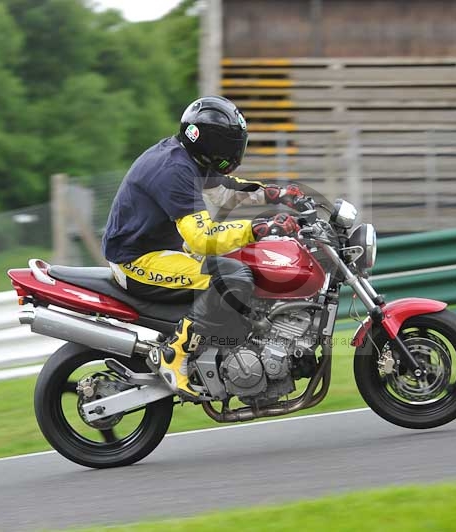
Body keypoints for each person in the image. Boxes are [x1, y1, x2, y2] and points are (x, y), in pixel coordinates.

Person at [102, 96, 306, 401]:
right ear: (211, 141)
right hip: (136, 260)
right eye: (231, 143)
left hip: (162, 249)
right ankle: (174, 356)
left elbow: (224, 190)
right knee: (230, 276)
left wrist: (276, 194)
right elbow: (202, 238)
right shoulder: (173, 170)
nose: (236, 150)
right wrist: (258, 228)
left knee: (238, 263)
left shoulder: (189, 158)